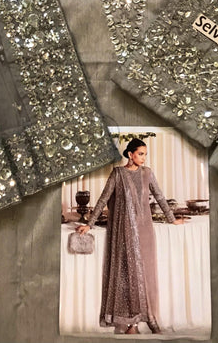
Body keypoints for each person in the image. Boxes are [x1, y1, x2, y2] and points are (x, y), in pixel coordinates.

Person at [77, 138, 183, 335]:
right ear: (130, 154)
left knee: (147, 275)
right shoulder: (118, 174)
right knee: (128, 275)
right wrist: (89, 224)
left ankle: (149, 318)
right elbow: (103, 199)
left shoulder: (147, 173)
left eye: (145, 154)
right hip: (124, 231)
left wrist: (171, 218)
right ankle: (131, 324)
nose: (143, 158)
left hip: (144, 230)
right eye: (140, 154)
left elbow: (160, 197)